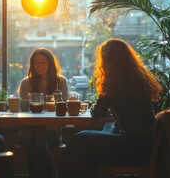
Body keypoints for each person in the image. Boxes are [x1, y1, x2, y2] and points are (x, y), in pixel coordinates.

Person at [59, 38, 163, 178]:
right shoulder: (138, 78)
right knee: (106, 127)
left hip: (130, 149)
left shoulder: (114, 81)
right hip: (145, 147)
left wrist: (95, 107)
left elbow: (97, 112)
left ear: (107, 60)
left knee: (78, 139)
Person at [18, 48, 69, 178]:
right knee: (37, 139)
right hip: (29, 131)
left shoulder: (61, 81)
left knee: (39, 144)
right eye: (36, 62)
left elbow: (63, 108)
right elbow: (25, 110)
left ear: (50, 63)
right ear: (32, 65)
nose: (39, 65)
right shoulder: (26, 83)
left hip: (52, 130)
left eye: (43, 62)